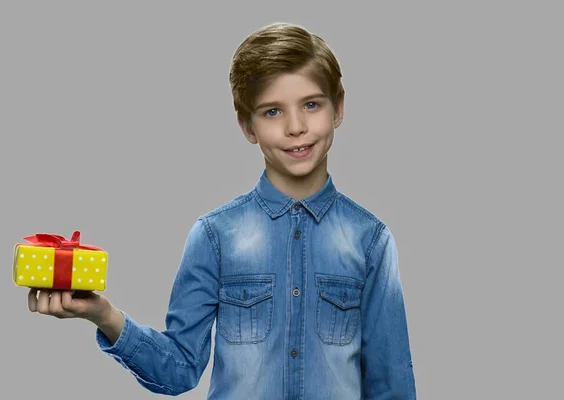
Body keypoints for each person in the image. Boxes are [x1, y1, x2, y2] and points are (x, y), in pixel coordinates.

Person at [27, 22, 417, 399]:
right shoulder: (215, 235)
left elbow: (391, 383)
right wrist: (104, 315)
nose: (296, 126)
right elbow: (180, 368)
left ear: (338, 108)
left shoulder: (371, 240)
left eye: (311, 104)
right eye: (272, 111)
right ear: (247, 126)